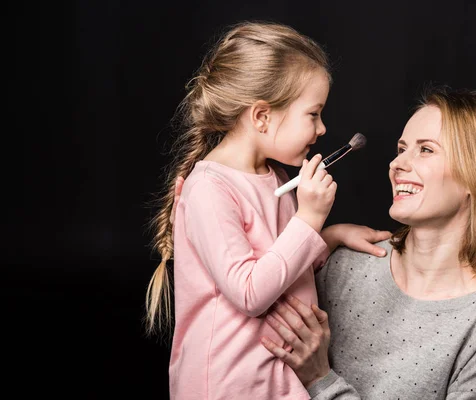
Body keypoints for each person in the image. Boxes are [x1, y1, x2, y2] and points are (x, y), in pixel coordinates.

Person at [144, 21, 391, 400]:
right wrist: (309, 219)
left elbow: (278, 264)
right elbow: (249, 292)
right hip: (229, 387)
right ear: (261, 117)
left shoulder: (274, 176)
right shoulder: (209, 189)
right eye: (313, 114)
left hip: (279, 379)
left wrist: (329, 236)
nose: (322, 128)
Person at [260, 86, 476, 399]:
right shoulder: (343, 265)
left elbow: (315, 379)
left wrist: (320, 380)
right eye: (401, 149)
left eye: (425, 150)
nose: (396, 165)